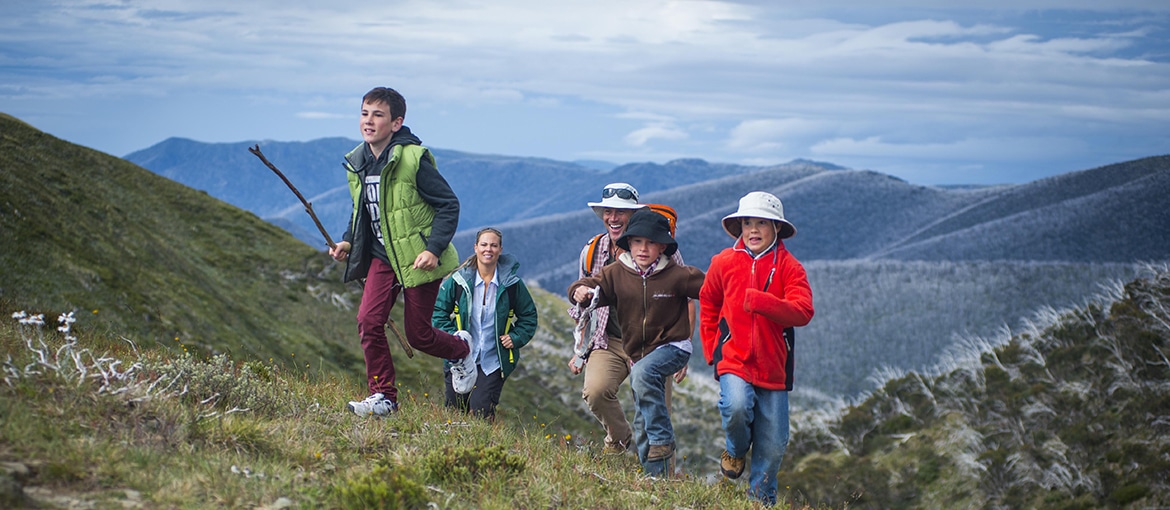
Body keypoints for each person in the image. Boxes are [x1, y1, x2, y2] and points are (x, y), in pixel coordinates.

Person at [329, 86, 477, 417]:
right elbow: (362, 212)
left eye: (378, 115)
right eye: (364, 113)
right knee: (368, 321)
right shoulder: (358, 161)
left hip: (417, 259)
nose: (368, 121)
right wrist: (348, 241)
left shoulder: (413, 159)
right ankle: (384, 396)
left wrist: (433, 249)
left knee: (419, 335)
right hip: (382, 257)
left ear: (396, 123)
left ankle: (461, 349)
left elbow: (448, 205)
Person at [568, 209, 705, 477]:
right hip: (630, 350)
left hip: (668, 348)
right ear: (628, 243)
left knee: (645, 382)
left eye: (651, 242)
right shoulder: (615, 273)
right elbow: (588, 286)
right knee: (643, 422)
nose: (643, 248)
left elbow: (713, 290)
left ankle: (663, 447)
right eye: (637, 241)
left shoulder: (678, 275)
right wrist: (578, 291)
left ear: (662, 247)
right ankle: (653, 478)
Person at [699, 191, 814, 506]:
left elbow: (803, 311)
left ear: (776, 228)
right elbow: (708, 302)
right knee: (736, 406)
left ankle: (760, 502)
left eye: (761, 223)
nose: (752, 229)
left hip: (774, 367)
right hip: (733, 358)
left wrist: (762, 301)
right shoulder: (723, 262)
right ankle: (735, 451)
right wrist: (711, 348)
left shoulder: (790, 267)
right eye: (747, 222)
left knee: (774, 444)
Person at [432, 227, 539, 421]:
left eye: (493, 245)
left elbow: (529, 316)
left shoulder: (512, 284)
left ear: (500, 249)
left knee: (481, 413)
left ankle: (483, 441)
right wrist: (452, 338)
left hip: (493, 361)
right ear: (475, 247)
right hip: (459, 359)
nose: (488, 249)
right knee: (454, 412)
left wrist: (516, 337)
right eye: (484, 245)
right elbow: (438, 312)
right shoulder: (458, 281)